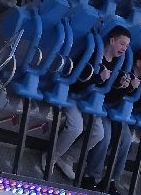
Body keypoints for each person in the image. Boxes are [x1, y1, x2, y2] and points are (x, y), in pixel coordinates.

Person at [51, 26, 131, 180]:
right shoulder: (93, 54)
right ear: (112, 41)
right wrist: (97, 78)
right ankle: (51, 156)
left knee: (99, 133)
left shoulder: (117, 66)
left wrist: (123, 88)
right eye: (122, 44)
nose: (124, 49)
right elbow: (75, 83)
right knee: (76, 127)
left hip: (90, 103)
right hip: (74, 96)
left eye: (126, 46)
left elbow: (108, 97)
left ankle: (67, 158)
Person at [83, 47, 141, 194]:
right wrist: (127, 87)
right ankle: (90, 176)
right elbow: (111, 97)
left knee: (126, 140)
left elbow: (135, 104)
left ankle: (110, 179)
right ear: (138, 62)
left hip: (119, 114)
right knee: (105, 137)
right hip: (105, 109)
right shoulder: (124, 73)